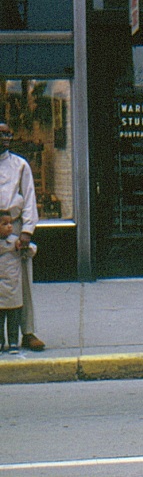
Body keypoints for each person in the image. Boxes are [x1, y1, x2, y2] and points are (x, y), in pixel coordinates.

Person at [0, 122, 42, 351]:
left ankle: (27, 331)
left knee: (21, 282)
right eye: (1, 134)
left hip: (13, 229)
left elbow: (29, 198)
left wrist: (26, 231)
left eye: (8, 133)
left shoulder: (19, 165)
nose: (6, 138)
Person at [0, 209, 36, 354]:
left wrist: (25, 245)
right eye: (4, 224)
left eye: (10, 223)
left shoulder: (16, 242)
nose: (9, 226)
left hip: (13, 286)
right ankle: (1, 341)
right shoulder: (10, 244)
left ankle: (13, 341)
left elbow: (31, 250)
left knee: (13, 316)